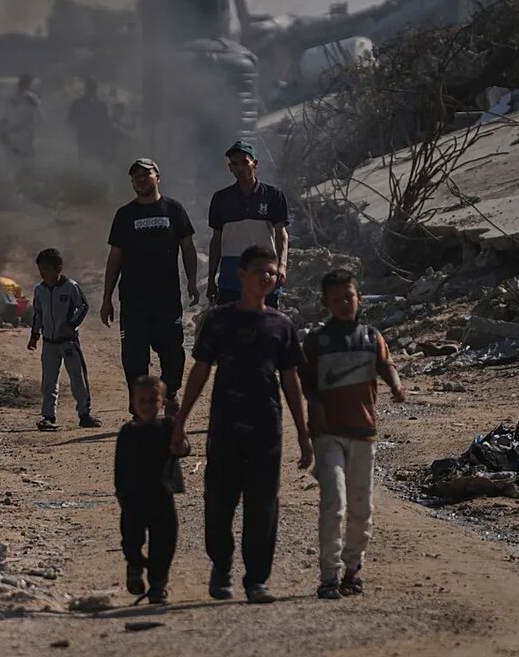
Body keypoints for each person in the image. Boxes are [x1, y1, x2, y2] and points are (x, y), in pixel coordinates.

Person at [171, 245, 313, 605]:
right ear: (241, 275)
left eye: (272, 272)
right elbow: (200, 371)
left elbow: (291, 381)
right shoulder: (220, 320)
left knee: (263, 506)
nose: (267, 277)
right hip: (225, 426)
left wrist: (303, 433)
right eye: (260, 270)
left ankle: (257, 580)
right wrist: (181, 422)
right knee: (219, 501)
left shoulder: (281, 325)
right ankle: (221, 567)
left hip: (266, 427)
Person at [300, 269, 405, 600]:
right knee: (334, 503)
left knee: (362, 507)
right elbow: (307, 384)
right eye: (337, 299)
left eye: (349, 297)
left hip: (363, 433)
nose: (345, 304)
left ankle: (352, 571)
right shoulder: (316, 342)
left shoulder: (371, 337)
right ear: (326, 303)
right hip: (327, 433)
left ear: (359, 297)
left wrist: (396, 386)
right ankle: (328, 576)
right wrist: (315, 407)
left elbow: (386, 365)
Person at [101, 158, 200, 417]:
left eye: (146, 174)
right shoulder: (125, 215)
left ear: (158, 176)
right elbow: (115, 257)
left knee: (172, 351)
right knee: (134, 356)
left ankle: (170, 394)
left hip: (166, 297)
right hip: (134, 299)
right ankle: (140, 408)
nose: (140, 180)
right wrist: (107, 297)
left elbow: (187, 247)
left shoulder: (174, 210)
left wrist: (192, 280)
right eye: (136, 176)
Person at [115, 375, 186, 605]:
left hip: (162, 495)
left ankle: (158, 585)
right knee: (131, 539)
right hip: (133, 496)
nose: (147, 405)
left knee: (164, 542)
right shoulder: (127, 432)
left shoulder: (168, 427)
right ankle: (134, 567)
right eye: (142, 400)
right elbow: (120, 466)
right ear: (133, 403)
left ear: (163, 402)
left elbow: (183, 447)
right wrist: (120, 493)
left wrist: (180, 444)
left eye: (153, 400)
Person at [207, 141, 291, 308]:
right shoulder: (221, 199)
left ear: (255, 164)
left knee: (266, 321)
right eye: (235, 164)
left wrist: (282, 265)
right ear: (230, 168)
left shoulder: (273, 196)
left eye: (244, 162)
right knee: (231, 322)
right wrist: (211, 279)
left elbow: (281, 235)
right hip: (231, 277)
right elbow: (216, 240)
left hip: (264, 274)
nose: (240, 168)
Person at [28, 248, 99, 431]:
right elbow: (38, 314)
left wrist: (71, 324)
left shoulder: (70, 287)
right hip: (49, 343)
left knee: (77, 377)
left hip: (68, 342)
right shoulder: (40, 290)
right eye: (40, 269)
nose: (43, 273)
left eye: (46, 269)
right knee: (49, 381)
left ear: (58, 269)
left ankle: (84, 414)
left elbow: (83, 306)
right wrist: (34, 335)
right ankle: (48, 416)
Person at [2, 73, 41, 180]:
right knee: (15, 160)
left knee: (22, 160)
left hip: (24, 134)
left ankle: (22, 181)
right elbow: (5, 116)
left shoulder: (31, 98)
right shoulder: (13, 98)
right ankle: (15, 182)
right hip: (16, 134)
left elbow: (38, 116)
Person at [68, 77, 113, 164]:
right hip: (95, 138)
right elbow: (106, 124)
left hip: (87, 138)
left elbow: (70, 120)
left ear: (86, 88)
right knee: (93, 161)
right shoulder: (101, 105)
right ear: (95, 89)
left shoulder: (78, 103)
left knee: (87, 161)